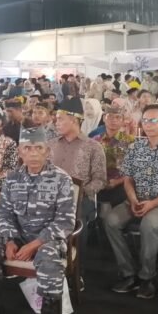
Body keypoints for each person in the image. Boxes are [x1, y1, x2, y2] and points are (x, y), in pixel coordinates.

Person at [0, 128, 75, 314]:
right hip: (18, 237)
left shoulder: (61, 179)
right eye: (27, 148)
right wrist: (9, 240)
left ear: (47, 151)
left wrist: (35, 244)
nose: (33, 153)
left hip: (48, 241)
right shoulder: (12, 178)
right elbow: (4, 214)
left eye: (39, 148)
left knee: (49, 255)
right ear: (20, 152)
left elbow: (65, 221)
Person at [103, 104, 158, 299]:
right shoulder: (135, 147)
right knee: (111, 220)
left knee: (148, 223)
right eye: (145, 120)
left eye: (153, 120)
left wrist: (153, 203)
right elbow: (128, 179)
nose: (148, 124)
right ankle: (128, 272)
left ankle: (146, 277)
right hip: (136, 200)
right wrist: (133, 199)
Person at [49, 102, 106, 266]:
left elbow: (100, 179)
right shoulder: (50, 144)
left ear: (74, 120)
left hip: (80, 199)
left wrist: (80, 193)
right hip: (50, 197)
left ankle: (76, 269)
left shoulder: (93, 146)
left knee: (75, 219)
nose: (56, 122)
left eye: (60, 119)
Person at [92, 106, 136, 209]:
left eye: (118, 117)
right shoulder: (95, 140)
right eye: (110, 117)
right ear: (104, 118)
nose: (114, 120)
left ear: (123, 120)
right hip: (98, 184)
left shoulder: (130, 141)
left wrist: (118, 181)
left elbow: (135, 169)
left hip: (122, 185)